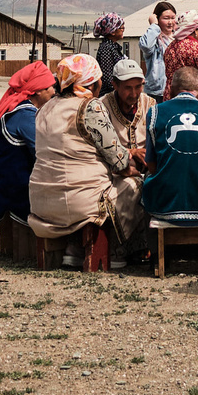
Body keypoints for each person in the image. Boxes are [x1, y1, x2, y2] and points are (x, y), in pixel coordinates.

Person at [28, 56, 150, 258]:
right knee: (136, 184)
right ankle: (117, 250)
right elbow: (118, 161)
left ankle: (74, 247)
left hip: (41, 201)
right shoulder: (90, 106)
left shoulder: (45, 108)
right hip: (81, 203)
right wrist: (127, 168)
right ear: (93, 82)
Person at [143, 64, 198, 227]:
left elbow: (151, 166)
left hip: (167, 204)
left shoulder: (155, 113)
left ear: (170, 89)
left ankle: (148, 249)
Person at [0, 60, 54, 229]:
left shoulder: (24, 109)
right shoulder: (24, 115)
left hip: (6, 183)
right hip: (13, 189)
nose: (53, 91)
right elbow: (44, 150)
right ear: (37, 91)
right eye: (49, 87)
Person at [137, 1, 178, 99]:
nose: (170, 22)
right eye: (166, 18)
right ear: (157, 19)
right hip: (157, 92)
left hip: (175, 90)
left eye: (173, 18)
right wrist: (154, 25)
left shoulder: (178, 38)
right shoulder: (154, 40)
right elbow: (146, 46)